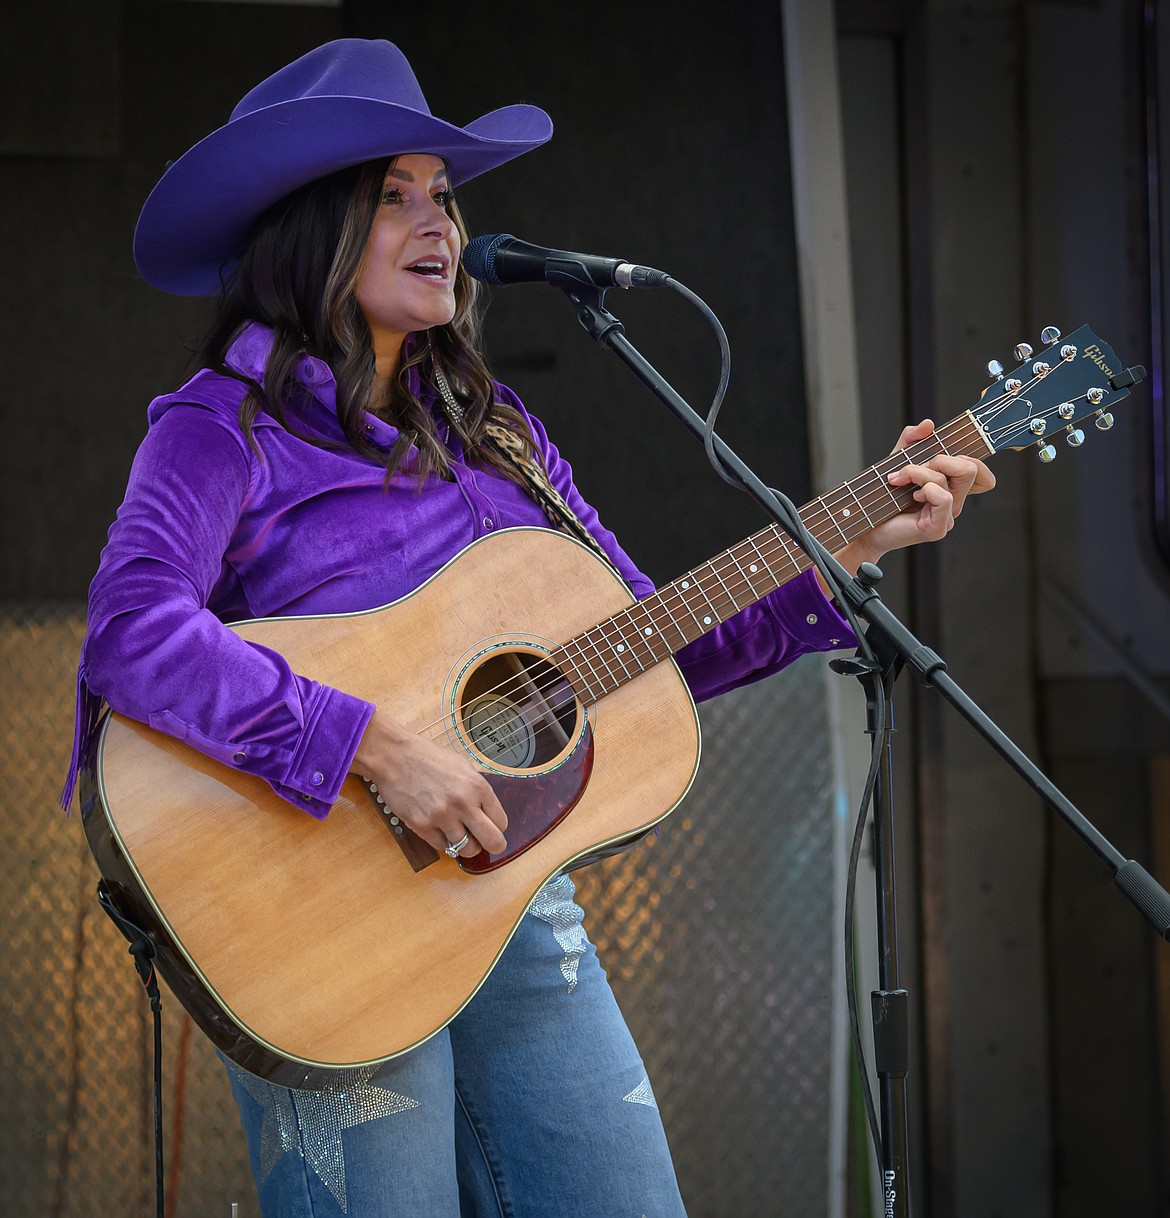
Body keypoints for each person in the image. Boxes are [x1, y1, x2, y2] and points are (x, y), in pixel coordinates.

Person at [62, 38, 994, 1218]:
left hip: (514, 908)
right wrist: (374, 748)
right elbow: (130, 635)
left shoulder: (496, 434)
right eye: (391, 197)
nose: (437, 220)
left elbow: (649, 646)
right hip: (320, 922)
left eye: (442, 194)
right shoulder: (219, 428)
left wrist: (852, 543)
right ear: (311, 233)